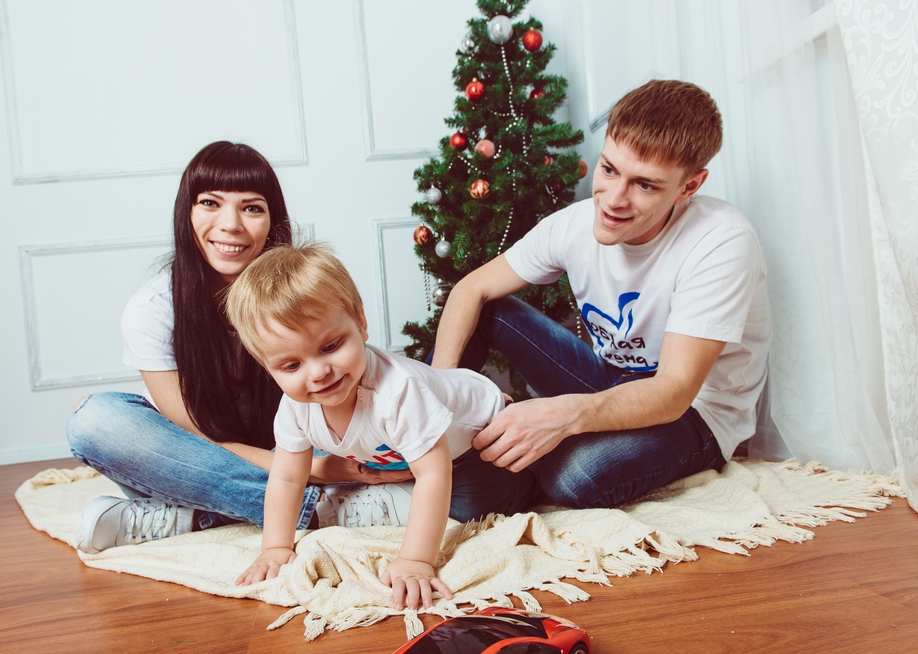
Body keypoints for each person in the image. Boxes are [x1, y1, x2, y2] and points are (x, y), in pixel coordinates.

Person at [431, 79, 772, 509]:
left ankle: (483, 478)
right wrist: (434, 402)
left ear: (689, 186)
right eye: (609, 169)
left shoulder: (721, 241)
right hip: (608, 378)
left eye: (645, 185)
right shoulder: (574, 224)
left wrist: (561, 415)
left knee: (576, 475)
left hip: (696, 413)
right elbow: (472, 288)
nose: (613, 200)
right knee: (488, 309)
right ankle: (431, 455)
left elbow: (674, 390)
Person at [66, 142, 411, 554]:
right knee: (94, 421)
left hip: (299, 443)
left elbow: (344, 390)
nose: (230, 225)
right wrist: (318, 471)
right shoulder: (153, 308)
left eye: (251, 208)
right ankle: (322, 510)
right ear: (187, 212)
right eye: (210, 203)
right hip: (210, 460)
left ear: (272, 221)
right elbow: (197, 439)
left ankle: (191, 518)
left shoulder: (303, 287)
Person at [225, 244, 537, 610]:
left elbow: (434, 474)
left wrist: (416, 560)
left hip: (483, 440)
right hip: (411, 450)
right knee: (417, 485)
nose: (318, 372)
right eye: (291, 366)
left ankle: (536, 471)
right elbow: (287, 477)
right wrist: (275, 547)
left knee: (472, 506)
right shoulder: (295, 406)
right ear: (267, 366)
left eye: (331, 346)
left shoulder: (397, 392)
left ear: (361, 323)